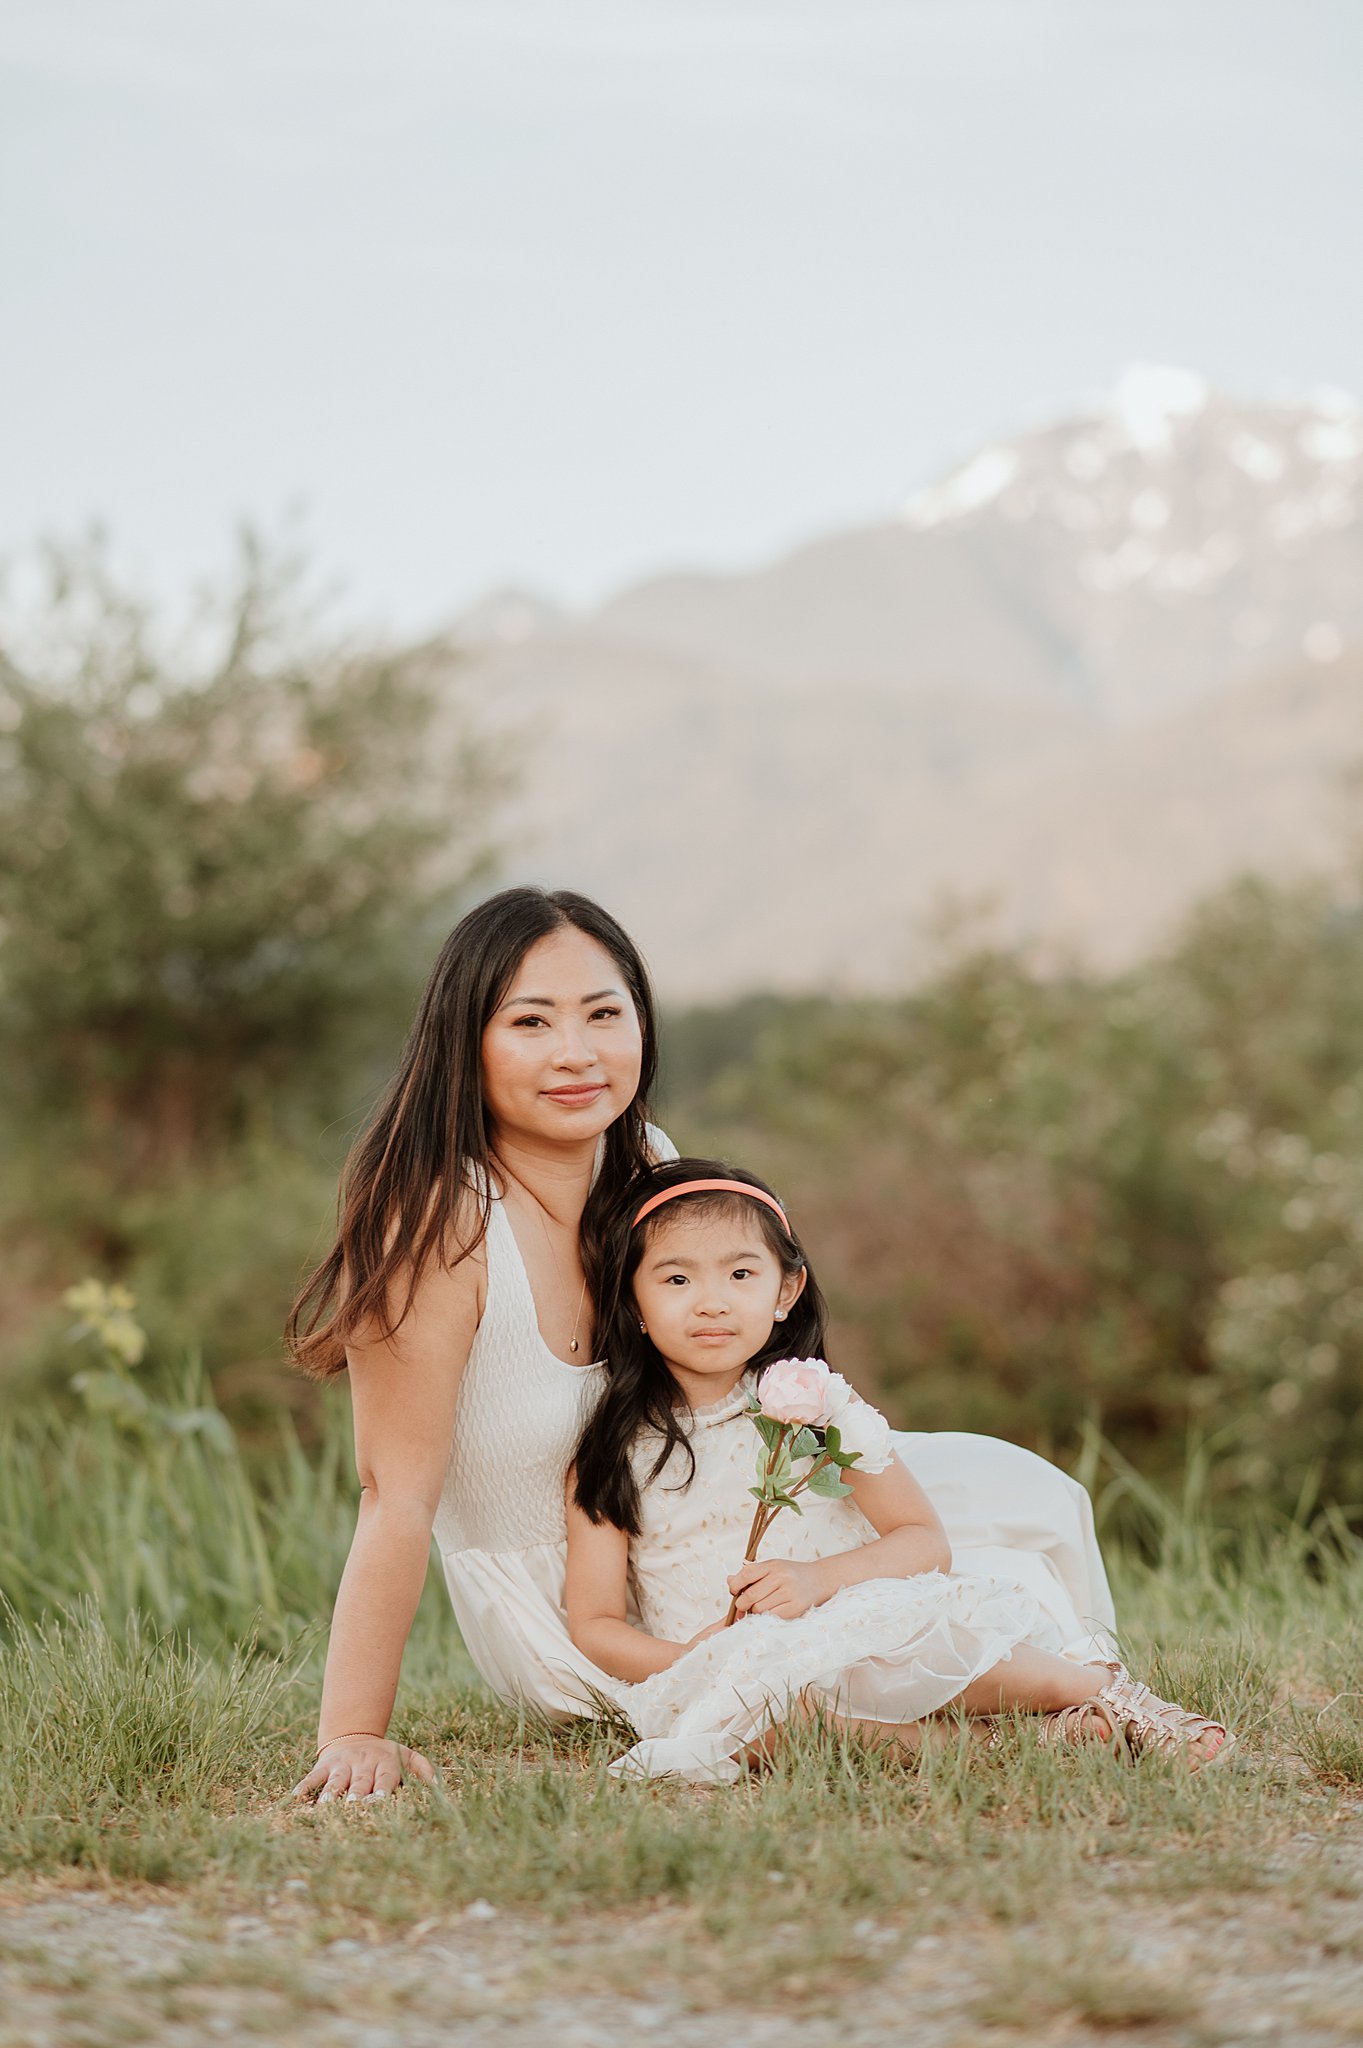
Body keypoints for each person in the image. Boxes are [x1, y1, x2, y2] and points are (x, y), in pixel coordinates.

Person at [287, 886, 1123, 1805]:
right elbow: (393, 1496)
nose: (576, 1054)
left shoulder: (642, 1156)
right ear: (464, 1042)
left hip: (711, 1515)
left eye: (604, 1014)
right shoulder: (434, 1227)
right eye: (529, 1021)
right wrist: (354, 1731)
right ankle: (996, 1747)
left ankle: (1072, 1698)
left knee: (1012, 1498)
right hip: (588, 1611)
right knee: (778, 1685)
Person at [565, 1161, 1234, 1782]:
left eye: (740, 1275)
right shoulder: (610, 1452)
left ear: (785, 1291)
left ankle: (1103, 1694)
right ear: (632, 1303)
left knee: (896, 1645)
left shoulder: (816, 1409)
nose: (710, 1302)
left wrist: (814, 1580)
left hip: (841, 1626)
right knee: (767, 1725)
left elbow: (921, 1540)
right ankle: (1016, 1748)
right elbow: (595, 1622)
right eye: (677, 1279)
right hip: (716, 1666)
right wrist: (693, 1659)